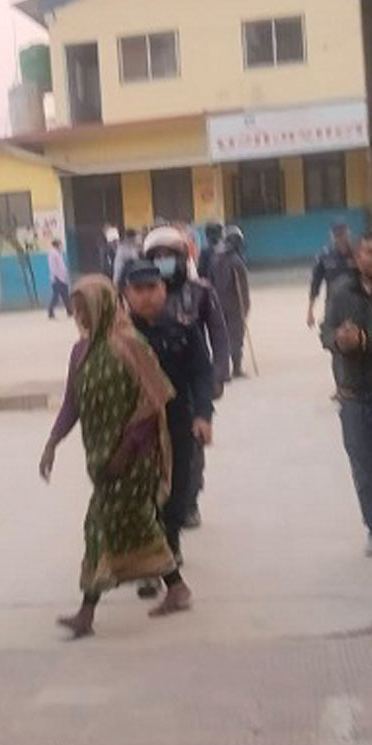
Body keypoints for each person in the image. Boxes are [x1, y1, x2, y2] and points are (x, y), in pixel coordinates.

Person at [39, 275, 192, 638]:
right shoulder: (81, 351)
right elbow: (72, 403)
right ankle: (177, 586)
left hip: (135, 459)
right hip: (100, 456)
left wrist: (126, 450)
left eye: (85, 308)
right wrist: (52, 443)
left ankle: (86, 612)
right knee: (138, 523)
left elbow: (153, 401)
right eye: (76, 310)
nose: (79, 316)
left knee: (98, 525)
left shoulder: (130, 346)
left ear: (104, 306)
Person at [122, 261, 213, 603]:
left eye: (152, 289)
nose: (146, 296)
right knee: (141, 497)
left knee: (176, 494)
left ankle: (169, 550)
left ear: (163, 291)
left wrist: (203, 415)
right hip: (136, 429)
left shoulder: (183, 330)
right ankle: (149, 568)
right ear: (126, 294)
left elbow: (201, 373)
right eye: (138, 290)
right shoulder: (119, 338)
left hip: (177, 423)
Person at [143, 225, 229, 532]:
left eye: (170, 255)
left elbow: (219, 335)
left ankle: (189, 501)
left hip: (190, 381)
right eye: (157, 256)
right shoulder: (142, 294)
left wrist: (218, 374)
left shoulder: (200, 291)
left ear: (182, 257)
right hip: (152, 384)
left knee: (192, 448)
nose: (164, 261)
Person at [321, 237, 372, 556]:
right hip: (353, 396)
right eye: (367, 252)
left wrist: (364, 341)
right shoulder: (341, 291)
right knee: (364, 468)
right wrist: (338, 339)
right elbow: (325, 331)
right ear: (357, 257)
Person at [208, 230, 251, 380]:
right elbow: (243, 288)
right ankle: (237, 368)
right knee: (236, 336)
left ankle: (222, 370)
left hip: (217, 303)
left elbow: (210, 281)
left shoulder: (214, 258)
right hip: (234, 305)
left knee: (221, 337)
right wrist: (246, 306)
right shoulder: (236, 261)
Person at [305, 222, 357, 327]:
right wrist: (310, 311)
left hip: (356, 304)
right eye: (336, 235)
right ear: (332, 236)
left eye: (342, 234)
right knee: (331, 333)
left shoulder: (357, 254)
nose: (340, 238)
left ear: (348, 234)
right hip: (333, 305)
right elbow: (315, 284)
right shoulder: (325, 256)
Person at [45, 238, 73, 318]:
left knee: (65, 295)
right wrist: (55, 276)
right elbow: (53, 266)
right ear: (57, 245)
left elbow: (61, 266)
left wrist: (65, 276)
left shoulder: (58, 253)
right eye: (60, 244)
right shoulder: (53, 254)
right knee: (56, 296)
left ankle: (70, 311)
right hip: (57, 278)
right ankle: (50, 312)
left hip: (62, 278)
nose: (62, 246)